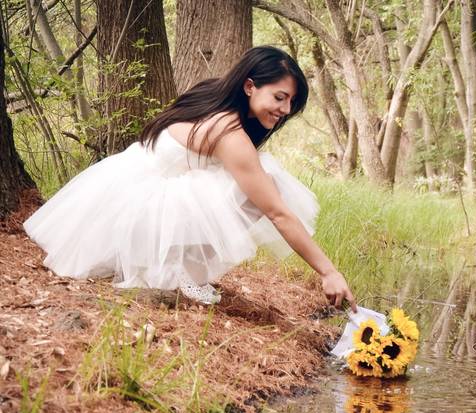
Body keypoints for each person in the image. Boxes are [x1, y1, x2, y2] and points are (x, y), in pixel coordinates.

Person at [24, 46, 356, 310]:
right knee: (271, 185)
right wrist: (328, 271)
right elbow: (278, 213)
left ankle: (174, 266)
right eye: (279, 97)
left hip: (127, 194)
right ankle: (178, 272)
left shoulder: (214, 96)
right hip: (140, 208)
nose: (285, 110)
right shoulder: (229, 133)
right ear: (250, 85)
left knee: (259, 178)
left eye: (291, 102)